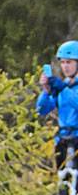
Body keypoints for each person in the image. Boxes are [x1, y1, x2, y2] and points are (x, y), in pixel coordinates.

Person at [38, 41, 78, 173]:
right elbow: (41, 110)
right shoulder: (63, 86)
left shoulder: (64, 88)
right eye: (63, 62)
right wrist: (46, 91)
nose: (65, 66)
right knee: (63, 185)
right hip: (63, 140)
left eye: (69, 62)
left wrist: (62, 89)